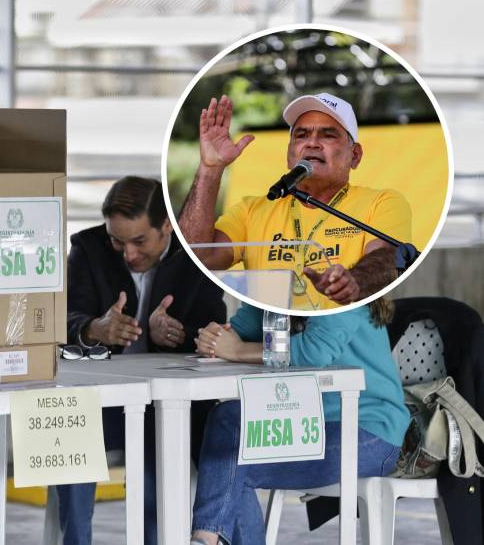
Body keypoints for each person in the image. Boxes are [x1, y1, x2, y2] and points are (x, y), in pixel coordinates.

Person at [61, 176, 227, 545]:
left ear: (167, 226)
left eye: (139, 241)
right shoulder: (88, 248)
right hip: (99, 400)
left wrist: (174, 336)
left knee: (161, 437)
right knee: (69, 432)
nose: (128, 254)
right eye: (117, 241)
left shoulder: (196, 255)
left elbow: (213, 328)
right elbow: (61, 317)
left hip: (166, 404)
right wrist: (93, 329)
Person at [189, 299, 410, 545]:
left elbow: (313, 351)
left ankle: (204, 538)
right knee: (228, 419)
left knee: (229, 468)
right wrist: (214, 338)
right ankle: (205, 538)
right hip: (307, 424)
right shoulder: (279, 286)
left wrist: (238, 351)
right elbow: (239, 329)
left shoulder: (343, 289)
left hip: (368, 432)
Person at [178, 93, 412, 310]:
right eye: (301, 135)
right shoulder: (251, 210)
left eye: (327, 135)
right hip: (270, 337)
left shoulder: (382, 202)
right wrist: (210, 169)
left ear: (355, 155)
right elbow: (197, 257)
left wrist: (354, 281)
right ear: (289, 154)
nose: (312, 143)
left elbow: (386, 257)